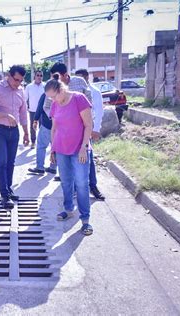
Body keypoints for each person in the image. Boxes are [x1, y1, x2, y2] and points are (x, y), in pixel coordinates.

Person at [46, 75, 94, 236]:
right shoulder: (55, 104)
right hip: (61, 149)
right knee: (66, 182)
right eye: (50, 98)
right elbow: (54, 129)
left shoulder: (79, 99)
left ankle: (85, 220)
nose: (53, 100)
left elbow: (89, 125)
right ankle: (68, 209)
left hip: (79, 149)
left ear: (62, 90)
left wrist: (84, 147)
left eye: (54, 96)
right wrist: (52, 149)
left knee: (81, 184)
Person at [0, 65, 29, 209]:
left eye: (21, 81)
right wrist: (5, 115)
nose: (18, 83)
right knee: (2, 161)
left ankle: (8, 189)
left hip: (14, 131)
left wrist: (26, 133)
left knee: (11, 162)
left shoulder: (21, 90)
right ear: (8, 76)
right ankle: (4, 195)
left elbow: (23, 113)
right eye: (16, 79)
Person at [49, 62, 91, 182]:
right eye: (53, 77)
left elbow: (90, 101)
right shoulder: (53, 88)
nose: (55, 80)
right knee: (66, 173)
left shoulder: (79, 82)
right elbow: (48, 106)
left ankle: (92, 186)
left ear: (65, 75)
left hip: (83, 130)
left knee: (85, 169)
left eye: (57, 77)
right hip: (64, 134)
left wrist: (89, 126)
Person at [75, 69, 106, 200]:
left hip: (88, 129)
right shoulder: (74, 91)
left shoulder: (94, 92)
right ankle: (76, 188)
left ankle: (93, 186)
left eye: (81, 78)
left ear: (87, 78)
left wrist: (96, 129)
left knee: (89, 159)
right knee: (74, 159)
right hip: (75, 130)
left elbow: (98, 112)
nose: (78, 81)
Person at [24, 70, 45, 149]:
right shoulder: (29, 86)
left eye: (41, 75)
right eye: (38, 75)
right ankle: (33, 142)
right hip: (33, 110)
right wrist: (26, 108)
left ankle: (41, 142)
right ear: (34, 76)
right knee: (33, 127)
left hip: (43, 111)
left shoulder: (45, 85)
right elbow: (25, 98)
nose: (39, 77)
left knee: (42, 127)